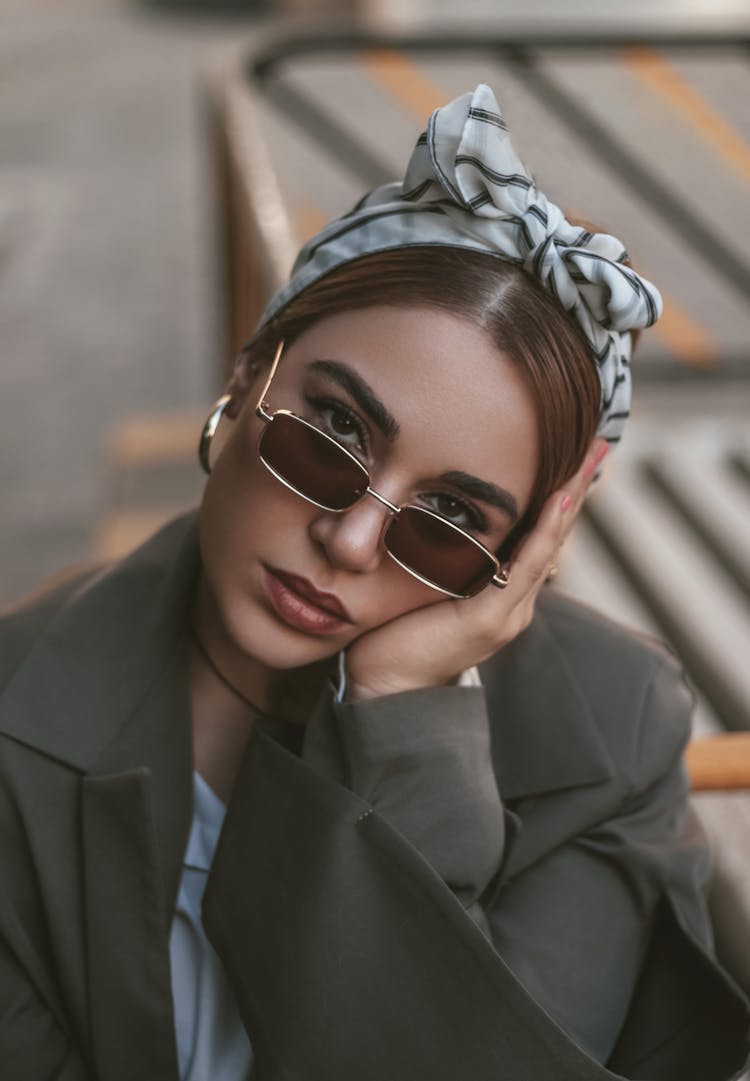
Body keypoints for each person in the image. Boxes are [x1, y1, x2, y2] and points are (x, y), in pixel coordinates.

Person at [0, 85, 748, 1081]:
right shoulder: (18, 713)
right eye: (334, 433)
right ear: (247, 374)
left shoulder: (612, 730)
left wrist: (404, 720)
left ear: (526, 551)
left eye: (451, 521)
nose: (351, 538)